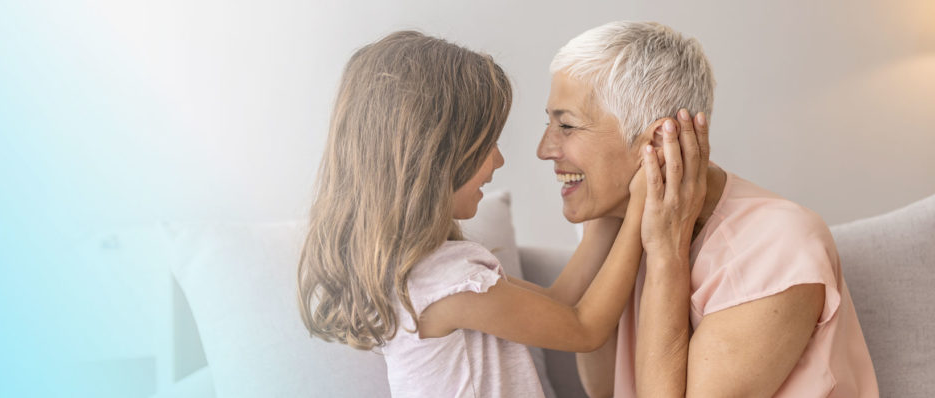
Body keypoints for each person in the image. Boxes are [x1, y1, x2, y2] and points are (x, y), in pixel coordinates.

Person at [296, 30, 708, 397]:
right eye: (486, 143)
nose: (499, 159)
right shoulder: (448, 284)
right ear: (433, 156)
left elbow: (558, 302)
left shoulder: (423, 269)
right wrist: (642, 206)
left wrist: (606, 207)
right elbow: (583, 327)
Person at [539, 21, 879, 397]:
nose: (545, 149)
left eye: (566, 126)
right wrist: (607, 232)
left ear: (655, 142)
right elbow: (605, 389)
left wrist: (667, 254)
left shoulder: (779, 249)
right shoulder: (617, 224)